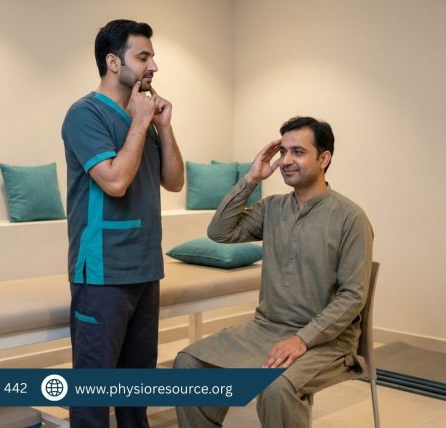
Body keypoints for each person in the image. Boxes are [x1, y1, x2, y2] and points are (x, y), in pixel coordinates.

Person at [173, 116, 373, 427]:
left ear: (324, 158)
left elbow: (352, 296)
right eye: (283, 152)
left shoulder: (350, 218)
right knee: (188, 365)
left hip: (327, 342)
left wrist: (303, 339)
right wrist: (251, 179)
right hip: (266, 329)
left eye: (298, 152)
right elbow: (220, 233)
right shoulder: (272, 208)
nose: (286, 161)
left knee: (276, 386)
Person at [61, 19, 184, 428]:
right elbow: (114, 181)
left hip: (145, 266)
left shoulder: (143, 115)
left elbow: (174, 180)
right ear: (114, 62)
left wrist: (162, 127)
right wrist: (138, 123)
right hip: (103, 271)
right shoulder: (84, 115)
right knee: (94, 394)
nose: (153, 66)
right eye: (143, 56)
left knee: (137, 388)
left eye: (152, 56)